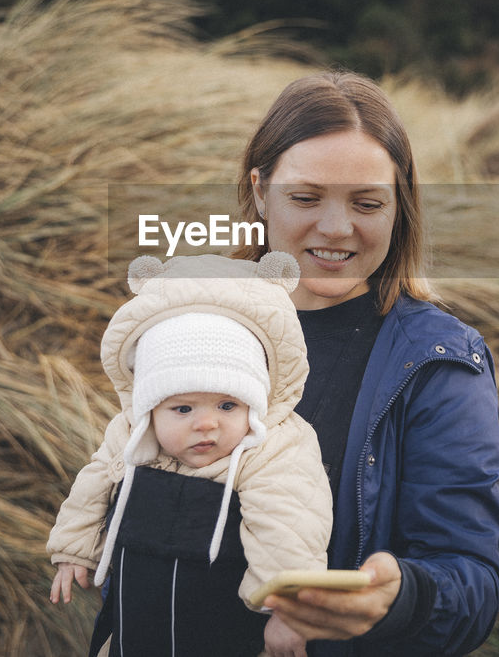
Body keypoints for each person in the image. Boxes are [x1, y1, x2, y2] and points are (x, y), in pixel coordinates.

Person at [235, 71, 499, 656]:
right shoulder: (193, 322)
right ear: (260, 191)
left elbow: (473, 582)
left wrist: (400, 598)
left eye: (366, 203)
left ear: (399, 206)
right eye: (305, 198)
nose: (336, 229)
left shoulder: (439, 363)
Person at [47, 252, 333, 657]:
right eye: (183, 409)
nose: (207, 424)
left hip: (229, 632)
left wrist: (287, 612)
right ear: (151, 407)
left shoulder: (273, 447)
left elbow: (289, 525)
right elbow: (94, 481)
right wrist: (75, 549)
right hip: (139, 623)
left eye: (228, 406)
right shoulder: (132, 432)